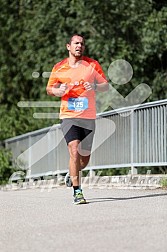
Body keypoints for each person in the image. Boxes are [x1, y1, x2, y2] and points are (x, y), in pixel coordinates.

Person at [46, 34, 108, 204]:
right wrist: (58, 91)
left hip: (88, 117)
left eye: (81, 43)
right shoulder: (59, 68)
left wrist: (95, 86)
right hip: (69, 116)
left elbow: (106, 86)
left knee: (84, 158)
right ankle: (77, 191)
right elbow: (50, 89)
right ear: (68, 46)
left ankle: (71, 174)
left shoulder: (92, 65)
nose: (79, 46)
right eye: (76, 43)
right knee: (74, 150)